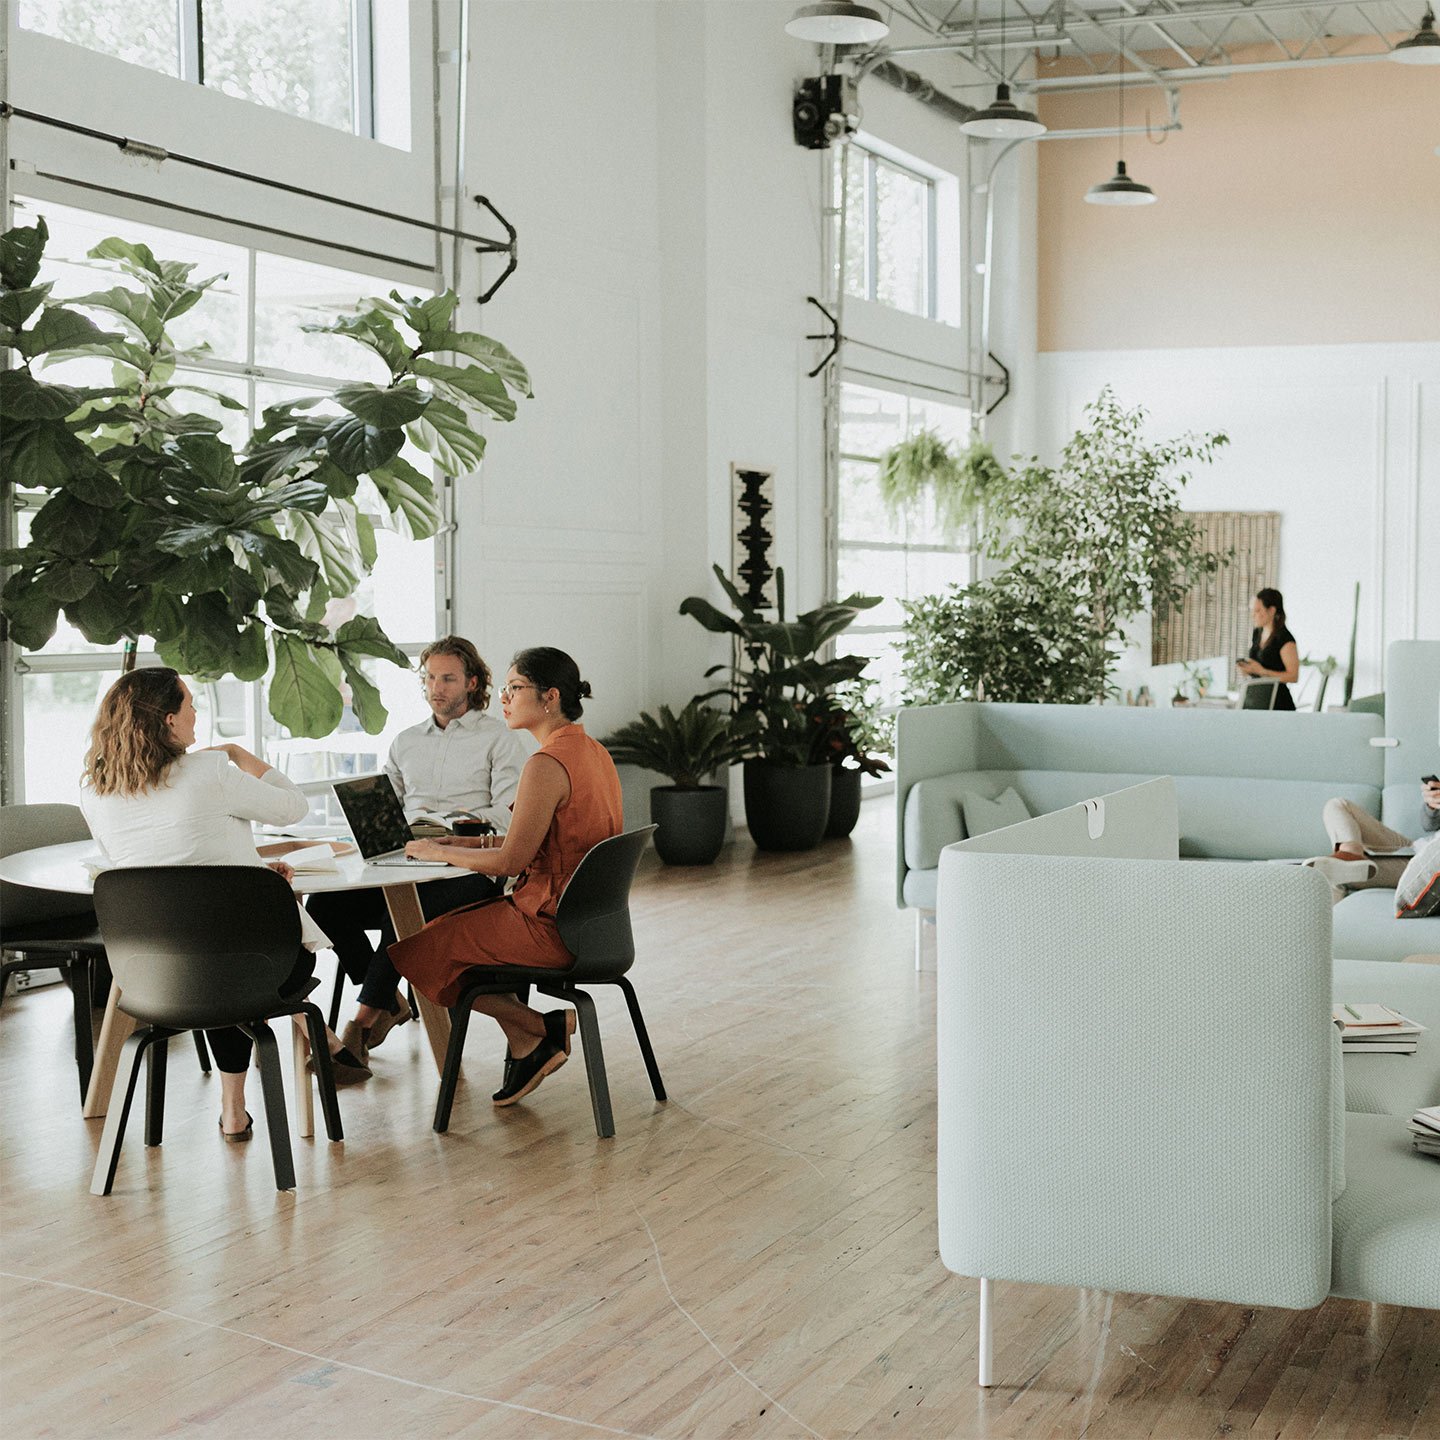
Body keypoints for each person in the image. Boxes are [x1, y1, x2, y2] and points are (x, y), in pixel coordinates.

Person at [79, 668, 368, 1143]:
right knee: (232, 959)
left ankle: (234, 1111)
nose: (197, 713)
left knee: (209, 954)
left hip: (154, 974)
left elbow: (159, 871)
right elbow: (293, 807)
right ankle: (279, 1072)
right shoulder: (210, 771)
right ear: (170, 721)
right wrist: (237, 754)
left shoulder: (95, 790)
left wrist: (249, 877)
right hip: (259, 964)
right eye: (190, 703)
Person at [389, 647, 622, 1107]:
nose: (504, 699)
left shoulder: (545, 764)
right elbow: (532, 840)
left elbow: (510, 864)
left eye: (515, 688)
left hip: (550, 925)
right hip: (594, 922)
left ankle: (541, 1027)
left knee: (417, 952)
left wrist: (438, 851)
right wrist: (464, 844)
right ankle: (528, 1041)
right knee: (443, 940)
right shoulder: (591, 751)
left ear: (550, 696)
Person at [307, 636, 527, 1066]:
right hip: (406, 862)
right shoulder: (406, 741)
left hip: (468, 875)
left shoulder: (500, 740)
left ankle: (362, 1022)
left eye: (448, 678)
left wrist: (444, 831)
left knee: (402, 909)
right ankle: (388, 1001)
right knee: (324, 907)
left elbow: (506, 817)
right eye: (430, 678)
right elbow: (387, 806)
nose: (437, 688)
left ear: (473, 682)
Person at [1305, 779, 1440, 894]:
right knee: (1338, 805)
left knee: (1333, 872)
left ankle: (1348, 864)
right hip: (1417, 846)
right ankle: (1351, 853)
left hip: (1428, 865)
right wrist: (1432, 805)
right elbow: (1429, 825)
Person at [1236, 588, 1299, 710]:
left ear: (1271, 611)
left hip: (1278, 703)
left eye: (1258, 610)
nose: (1253, 615)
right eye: (1253, 610)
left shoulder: (1285, 639)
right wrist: (1249, 669)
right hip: (1258, 698)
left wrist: (1262, 671)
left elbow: (1293, 676)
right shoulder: (1257, 633)